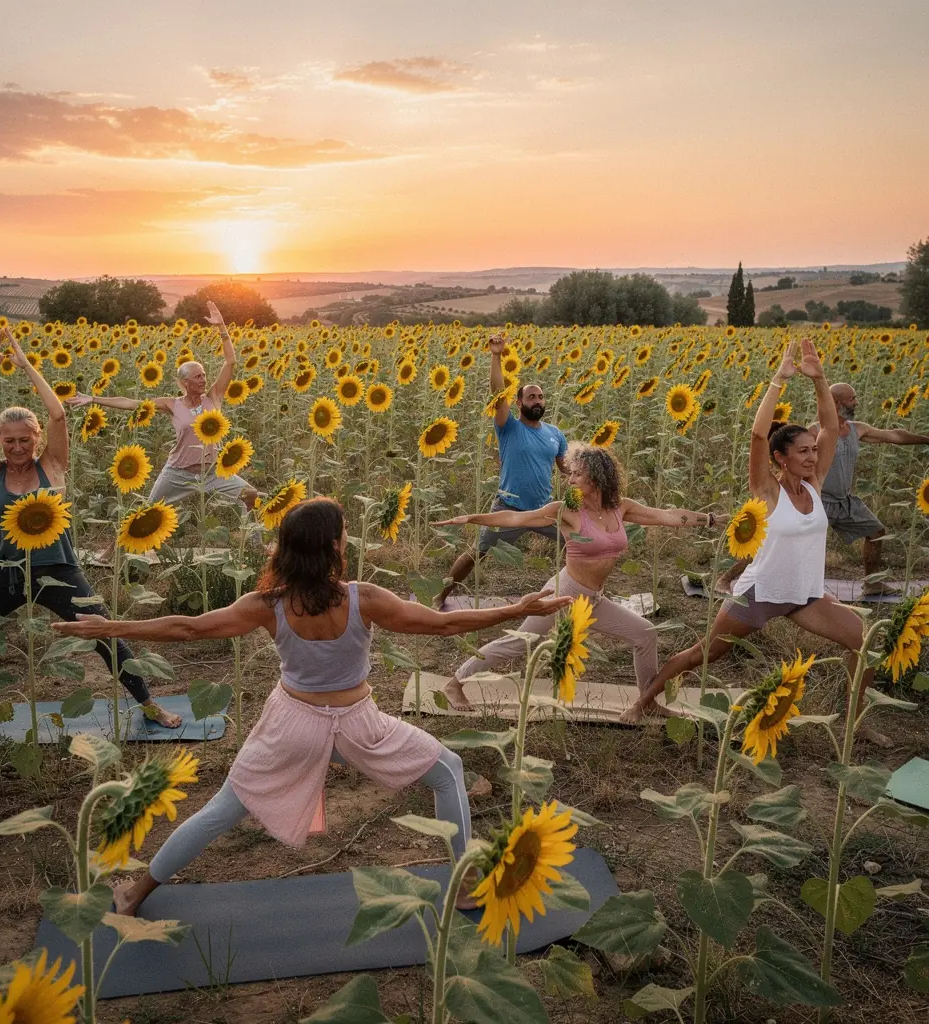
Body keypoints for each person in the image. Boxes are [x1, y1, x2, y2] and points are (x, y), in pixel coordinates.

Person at [52, 497, 572, 917]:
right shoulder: (363, 597)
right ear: (334, 546)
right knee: (448, 771)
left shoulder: (268, 604)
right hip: (360, 726)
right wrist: (517, 608)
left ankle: (135, 892)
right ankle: (466, 884)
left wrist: (112, 627)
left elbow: (188, 628)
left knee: (221, 811)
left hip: (292, 727)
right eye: (343, 533)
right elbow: (444, 624)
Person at [0, 329, 182, 731]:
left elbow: (58, 415)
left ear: (37, 438)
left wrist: (26, 365)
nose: (18, 447)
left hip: (59, 570)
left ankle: (150, 704)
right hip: (4, 573)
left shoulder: (52, 466)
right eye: (9, 441)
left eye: (25, 439)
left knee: (103, 633)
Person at [622, 339, 889, 746]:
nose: (812, 457)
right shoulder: (767, 491)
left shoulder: (815, 485)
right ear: (781, 458)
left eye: (813, 451)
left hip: (805, 595)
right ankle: (642, 704)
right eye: (803, 452)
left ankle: (856, 721)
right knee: (704, 654)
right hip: (759, 594)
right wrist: (779, 379)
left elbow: (830, 427)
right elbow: (758, 435)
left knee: (863, 639)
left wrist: (820, 380)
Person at [433, 443, 727, 711]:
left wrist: (711, 520)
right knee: (520, 643)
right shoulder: (566, 511)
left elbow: (667, 515)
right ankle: (455, 683)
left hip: (593, 600)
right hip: (563, 595)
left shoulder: (620, 507)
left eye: (576, 474)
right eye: (570, 473)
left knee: (645, 634)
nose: (569, 479)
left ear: (596, 478)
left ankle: (645, 701)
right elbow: (515, 518)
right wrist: (472, 518)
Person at [718, 381, 929, 593]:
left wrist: (925, 439)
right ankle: (726, 579)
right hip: (815, 499)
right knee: (772, 540)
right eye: (851, 398)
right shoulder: (813, 432)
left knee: (876, 531)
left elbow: (895, 435)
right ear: (835, 402)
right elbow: (790, 455)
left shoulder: (857, 429)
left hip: (844, 501)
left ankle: (872, 583)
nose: (856, 402)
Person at [66, 302, 258, 510]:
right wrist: (93, 399)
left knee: (250, 495)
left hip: (213, 472)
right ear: (185, 382)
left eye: (204, 375)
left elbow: (230, 362)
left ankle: (249, 531)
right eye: (198, 376)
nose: (203, 379)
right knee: (149, 510)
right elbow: (131, 403)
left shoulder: (213, 397)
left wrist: (221, 326)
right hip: (178, 473)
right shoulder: (172, 404)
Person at [436, 332, 568, 607]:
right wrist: (496, 356)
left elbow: (566, 468)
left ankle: (578, 595)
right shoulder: (509, 427)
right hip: (509, 508)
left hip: (544, 510)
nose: (537, 401)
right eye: (531, 397)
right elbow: (498, 393)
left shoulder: (555, 434)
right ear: (518, 403)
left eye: (541, 397)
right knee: (477, 553)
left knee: (577, 543)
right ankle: (441, 596)